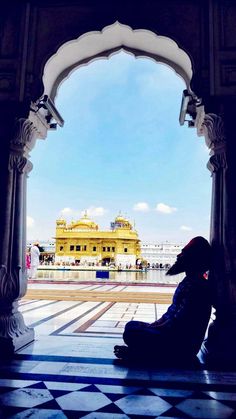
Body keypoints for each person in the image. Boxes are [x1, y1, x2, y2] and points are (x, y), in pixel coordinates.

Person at [114, 236, 212, 365]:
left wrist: (157, 328)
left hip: (182, 345)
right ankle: (144, 352)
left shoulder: (196, 286)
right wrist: (154, 325)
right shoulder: (189, 281)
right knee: (132, 326)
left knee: (132, 332)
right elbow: (171, 313)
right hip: (175, 336)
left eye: (183, 253)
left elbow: (179, 321)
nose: (178, 255)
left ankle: (143, 355)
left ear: (193, 259)